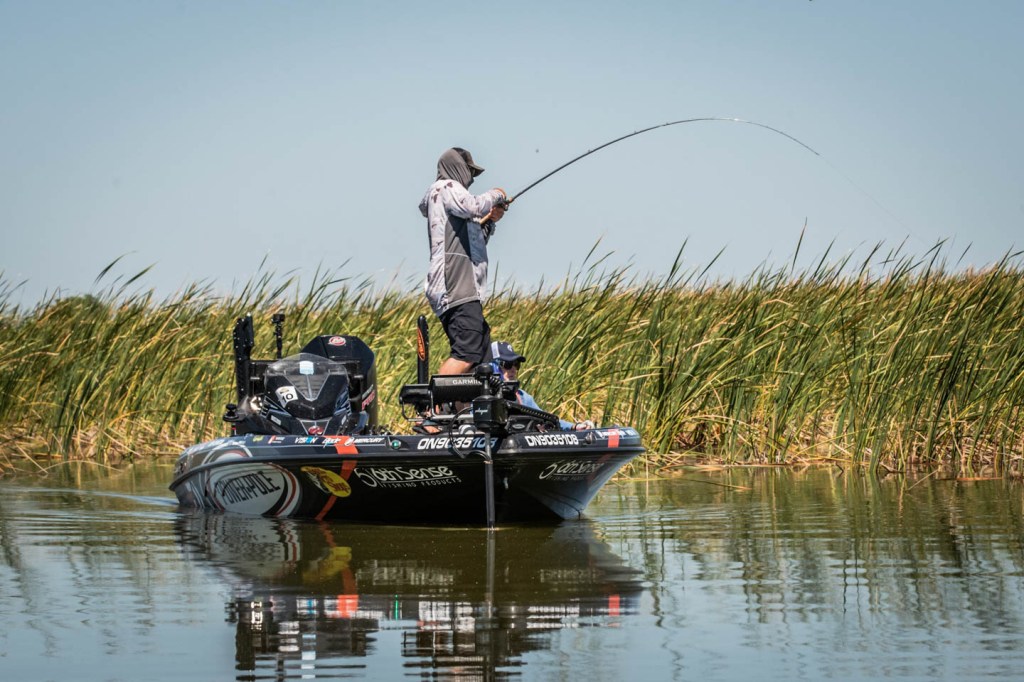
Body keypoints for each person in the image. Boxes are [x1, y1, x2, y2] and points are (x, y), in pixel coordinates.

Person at [419, 147, 508, 375]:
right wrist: (497, 194)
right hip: (456, 287)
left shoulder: (452, 201)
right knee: (467, 353)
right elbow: (474, 206)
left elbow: (474, 244)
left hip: (463, 289)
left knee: (481, 355)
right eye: (469, 171)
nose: (471, 178)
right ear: (457, 167)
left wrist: (490, 220)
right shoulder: (445, 187)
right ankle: (434, 398)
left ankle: (468, 398)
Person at [490, 341, 595, 431]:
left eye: (516, 364)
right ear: (491, 367)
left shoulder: (522, 397)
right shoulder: (483, 396)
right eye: (507, 365)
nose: (513, 369)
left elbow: (545, 418)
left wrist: (574, 426)